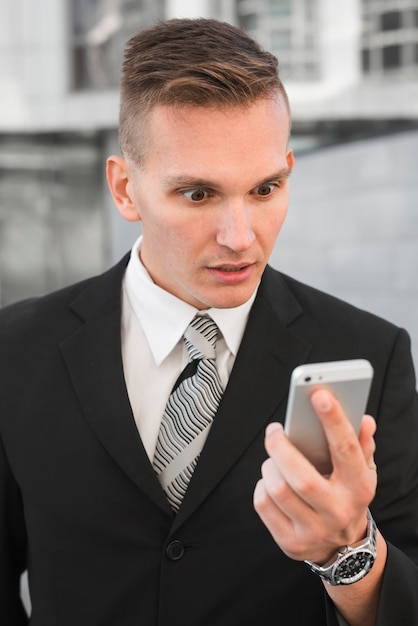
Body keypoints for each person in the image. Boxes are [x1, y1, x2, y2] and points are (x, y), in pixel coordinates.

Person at [0, 17, 417, 626]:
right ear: (124, 189)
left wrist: (348, 552)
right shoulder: (15, 351)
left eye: (265, 188)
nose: (240, 237)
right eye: (198, 194)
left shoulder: (370, 352)